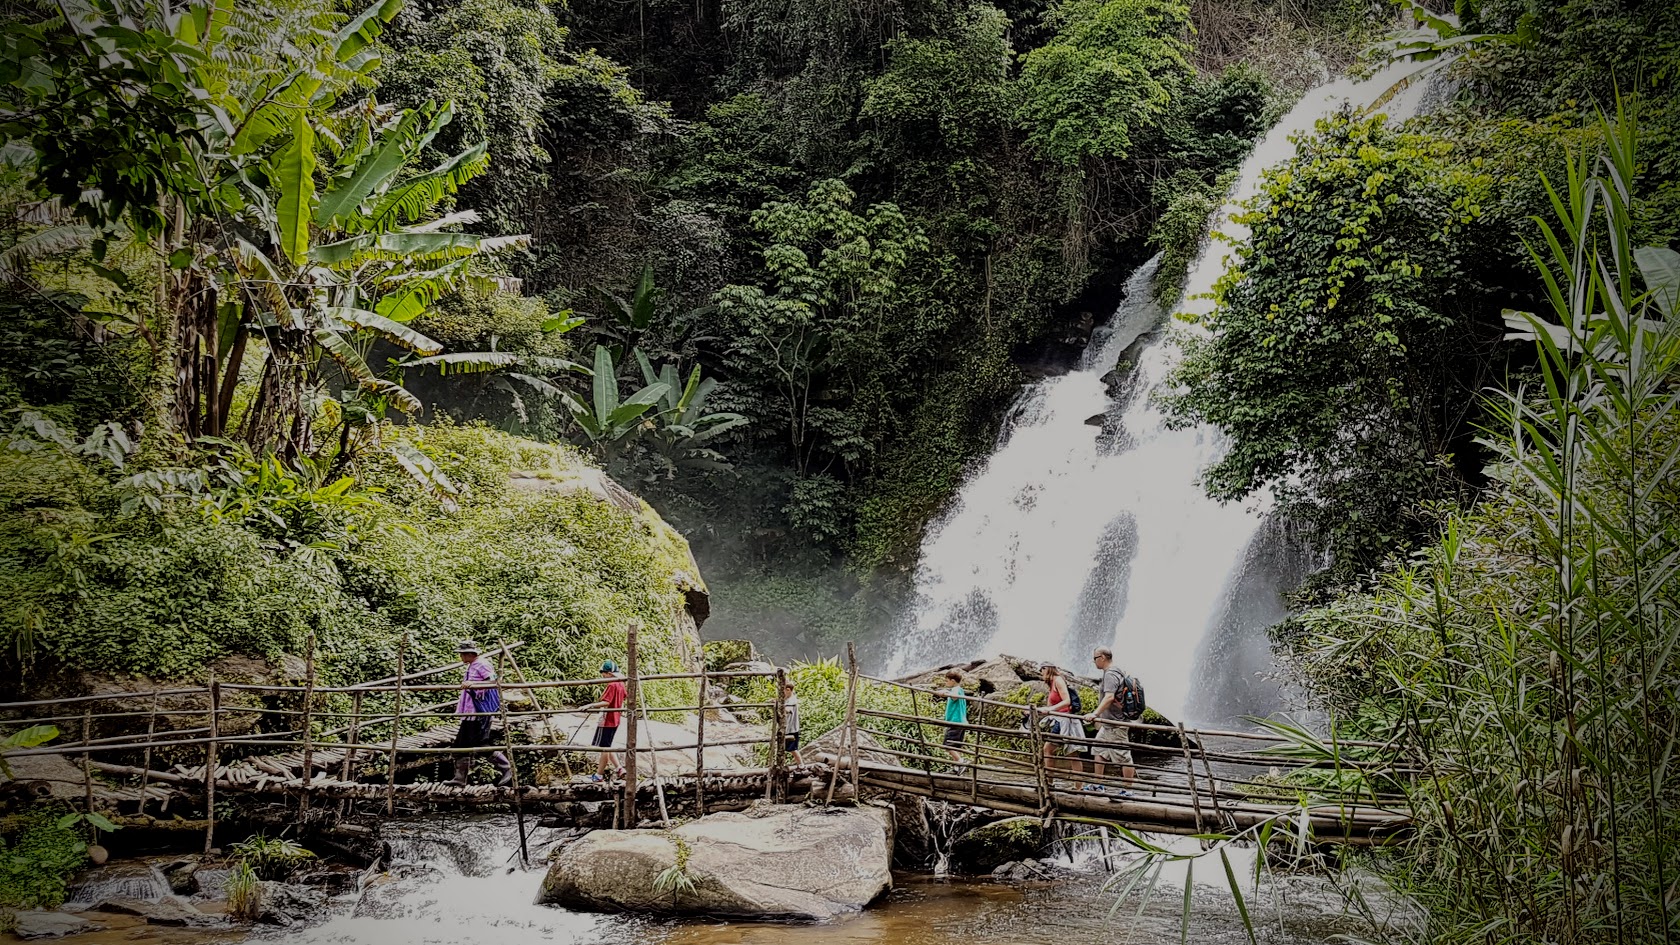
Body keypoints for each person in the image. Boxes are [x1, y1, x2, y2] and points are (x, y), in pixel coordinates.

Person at [446, 642, 512, 788]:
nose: (461, 656)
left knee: (480, 743)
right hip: (471, 712)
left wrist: (472, 684)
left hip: (478, 712)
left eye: (462, 654)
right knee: (461, 745)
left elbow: (494, 681)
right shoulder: (473, 665)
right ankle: (459, 778)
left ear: (470, 654)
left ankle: (506, 766)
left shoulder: (482, 664)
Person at [1084, 646, 1137, 795]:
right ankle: (1097, 785)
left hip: (1116, 724)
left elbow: (1109, 697)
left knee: (1124, 757)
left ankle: (1128, 791)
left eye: (1094, 659)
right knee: (1098, 750)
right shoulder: (1118, 670)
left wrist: (1094, 714)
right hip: (1108, 724)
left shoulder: (1111, 674)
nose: (1094, 662)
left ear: (1102, 657)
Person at [579, 660, 628, 781]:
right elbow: (625, 696)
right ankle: (619, 768)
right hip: (615, 718)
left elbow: (607, 702)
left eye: (603, 673)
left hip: (607, 719)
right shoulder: (621, 683)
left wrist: (590, 705)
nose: (602, 676)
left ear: (609, 673)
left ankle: (599, 775)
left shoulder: (612, 684)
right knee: (608, 744)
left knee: (604, 748)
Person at [1039, 663, 1078, 784]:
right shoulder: (1051, 684)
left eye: (1042, 669)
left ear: (1048, 669)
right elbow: (1050, 707)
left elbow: (1067, 701)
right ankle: (1078, 786)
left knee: (1049, 749)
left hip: (1064, 720)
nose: (1041, 672)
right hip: (1059, 719)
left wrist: (1050, 710)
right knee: (1072, 753)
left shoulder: (1058, 681)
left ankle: (1050, 783)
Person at [936, 671, 970, 764]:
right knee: (955, 746)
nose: (946, 683)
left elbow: (954, 697)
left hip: (955, 721)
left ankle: (961, 762)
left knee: (948, 745)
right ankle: (957, 766)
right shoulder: (961, 690)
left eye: (947, 681)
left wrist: (945, 692)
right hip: (962, 721)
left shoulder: (955, 690)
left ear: (953, 681)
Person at [782, 679, 803, 765]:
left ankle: (801, 764)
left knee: (793, 749)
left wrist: (779, 706)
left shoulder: (792, 700)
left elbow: (788, 710)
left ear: (788, 690)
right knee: (784, 747)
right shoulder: (787, 699)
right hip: (787, 728)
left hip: (792, 729)